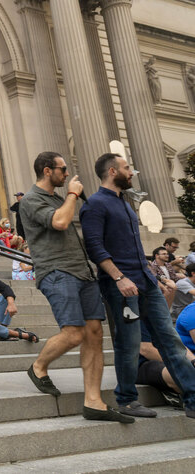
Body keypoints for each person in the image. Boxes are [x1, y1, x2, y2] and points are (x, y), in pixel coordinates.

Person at [19, 151, 132, 423]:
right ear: (47, 171)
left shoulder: (60, 198)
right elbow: (59, 222)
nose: (67, 173)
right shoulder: (31, 200)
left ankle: (93, 402)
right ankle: (38, 366)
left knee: (94, 333)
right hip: (57, 272)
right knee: (73, 334)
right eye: (62, 169)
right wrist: (72, 195)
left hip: (83, 272)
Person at [80, 152, 195, 419]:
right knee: (129, 343)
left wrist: (150, 276)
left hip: (145, 282)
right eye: (126, 168)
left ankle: (192, 398)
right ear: (112, 171)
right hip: (120, 286)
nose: (131, 172)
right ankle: (127, 399)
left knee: (169, 338)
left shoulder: (126, 204)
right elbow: (94, 247)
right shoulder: (95, 204)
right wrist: (119, 278)